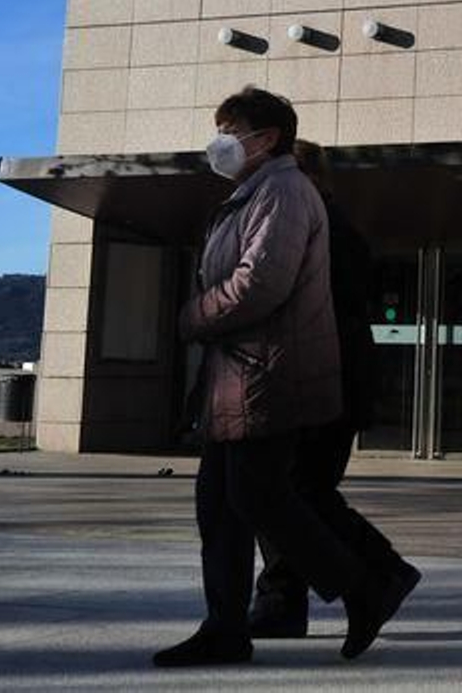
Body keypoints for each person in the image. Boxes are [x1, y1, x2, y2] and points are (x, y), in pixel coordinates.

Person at [154, 89, 417, 668]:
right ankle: (226, 626)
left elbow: (261, 283)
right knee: (221, 505)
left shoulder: (284, 191)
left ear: (267, 137)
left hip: (265, 372)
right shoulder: (253, 194)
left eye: (230, 130)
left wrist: (194, 316)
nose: (220, 141)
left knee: (261, 495)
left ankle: (365, 585)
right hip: (236, 374)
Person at [247, 139, 419, 638]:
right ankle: (283, 601)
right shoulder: (323, 225)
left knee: (293, 490)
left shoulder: (319, 229)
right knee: (292, 490)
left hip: (318, 384)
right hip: (319, 382)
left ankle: (380, 572)